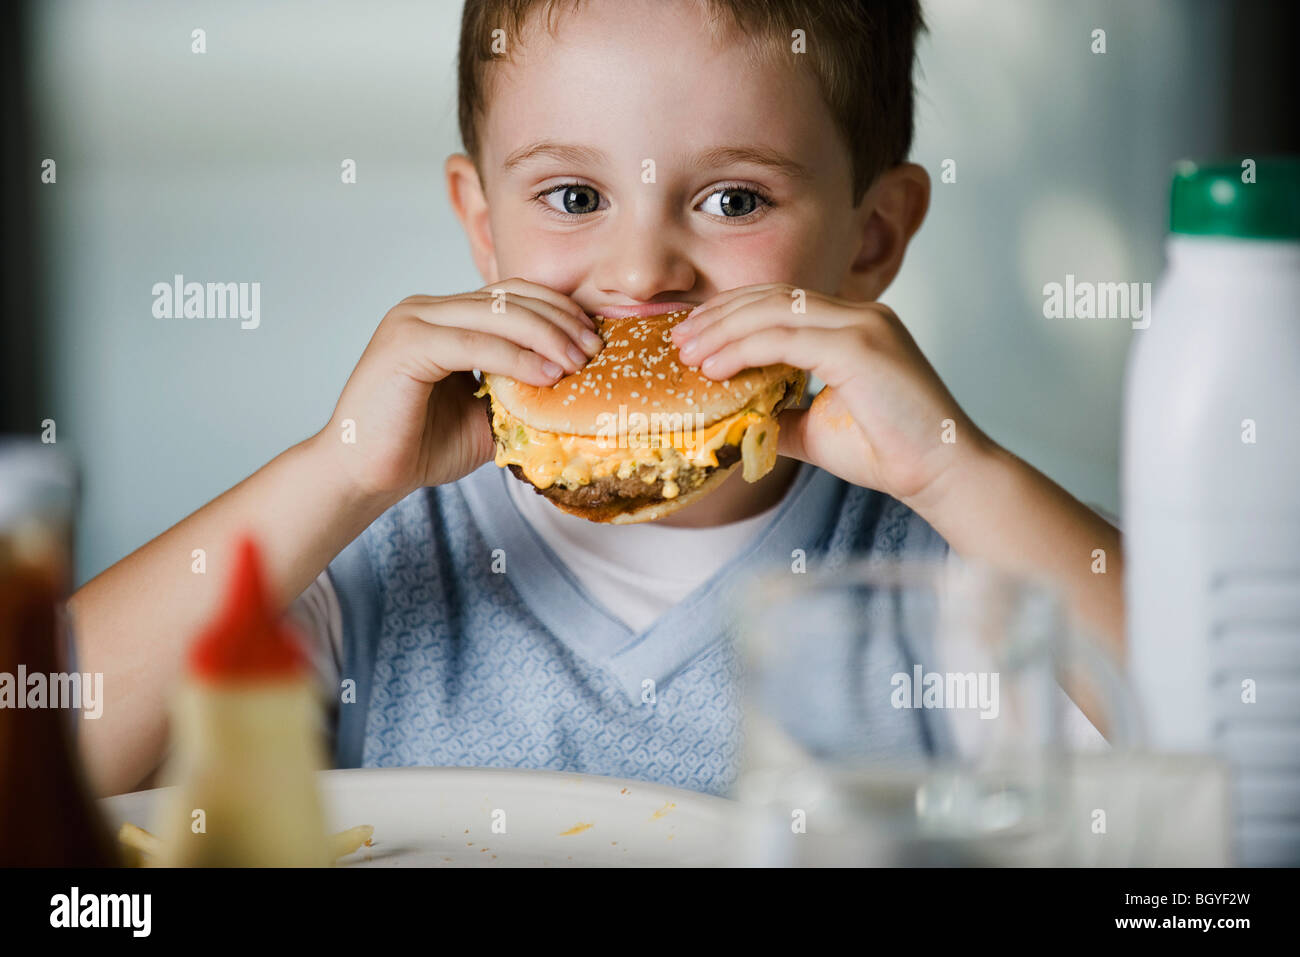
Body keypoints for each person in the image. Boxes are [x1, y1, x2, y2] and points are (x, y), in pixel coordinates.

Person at [72, 0, 1121, 798]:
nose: (640, 272)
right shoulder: (362, 559)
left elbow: (1255, 788)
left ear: (872, 237)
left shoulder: (949, 579)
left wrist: (958, 473)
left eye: (733, 199)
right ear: (482, 227)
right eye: (573, 198)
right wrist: (335, 473)